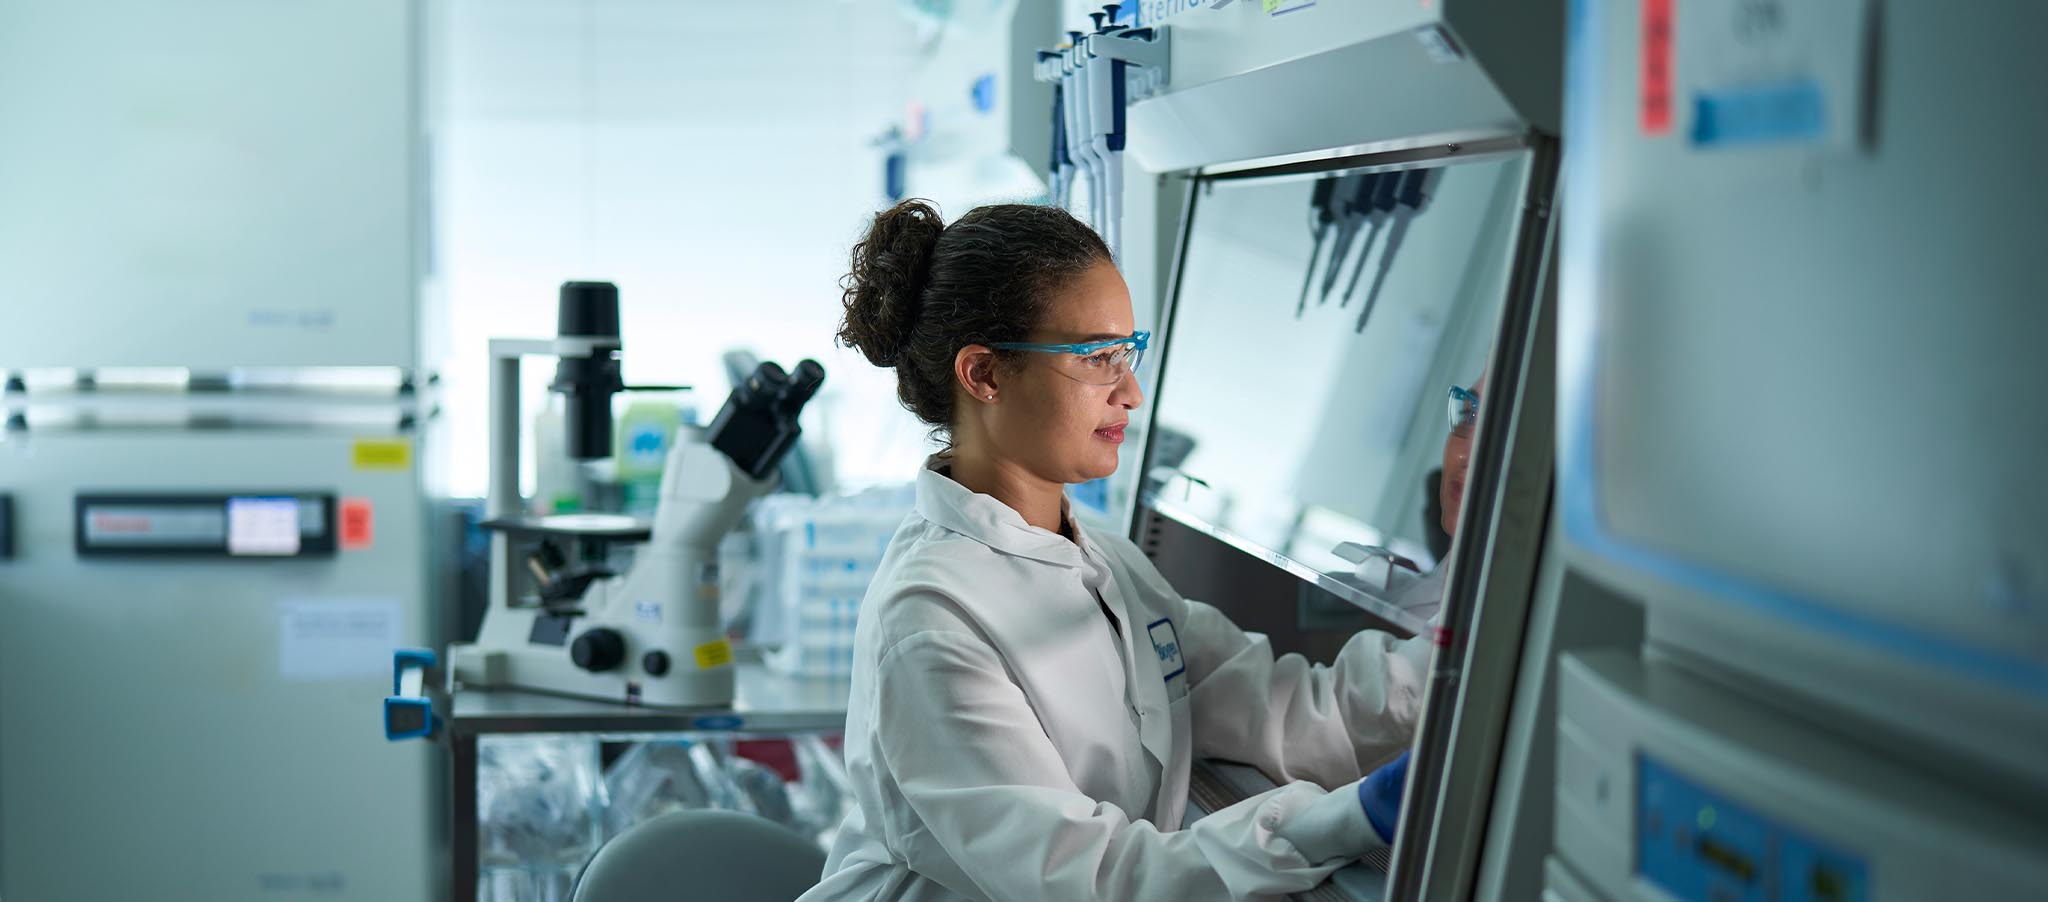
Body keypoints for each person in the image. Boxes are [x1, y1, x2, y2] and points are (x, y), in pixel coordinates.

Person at [798, 200, 1434, 901]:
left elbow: (1279, 709)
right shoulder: (931, 622)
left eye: (1129, 352)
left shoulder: (1103, 562)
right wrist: (1342, 820)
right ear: (984, 375)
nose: (1130, 392)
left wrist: (1463, 658)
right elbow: (1090, 879)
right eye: (1098, 358)